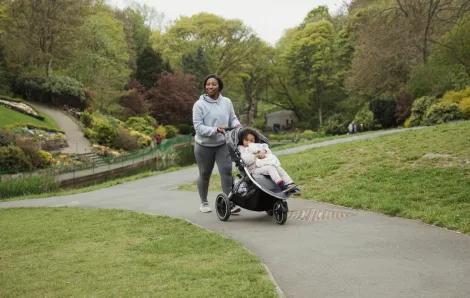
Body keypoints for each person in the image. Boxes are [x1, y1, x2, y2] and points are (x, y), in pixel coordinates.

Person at [193, 74, 242, 213]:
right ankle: (204, 202)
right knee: (204, 173)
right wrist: (216, 130)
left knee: (226, 172)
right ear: (205, 86)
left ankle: (228, 203)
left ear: (219, 86)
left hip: (222, 144)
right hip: (204, 146)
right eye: (208, 84)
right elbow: (198, 127)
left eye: (213, 84)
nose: (210, 87)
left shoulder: (226, 101)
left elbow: (232, 117)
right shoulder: (199, 105)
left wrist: (237, 125)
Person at [238, 128, 301, 195]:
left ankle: (290, 184)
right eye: (246, 140)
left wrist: (264, 151)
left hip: (261, 165)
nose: (249, 143)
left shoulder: (256, 146)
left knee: (278, 168)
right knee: (270, 168)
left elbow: (267, 150)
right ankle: (282, 185)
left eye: (251, 141)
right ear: (242, 140)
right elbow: (246, 160)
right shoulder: (242, 149)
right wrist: (256, 155)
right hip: (253, 169)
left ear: (255, 141)